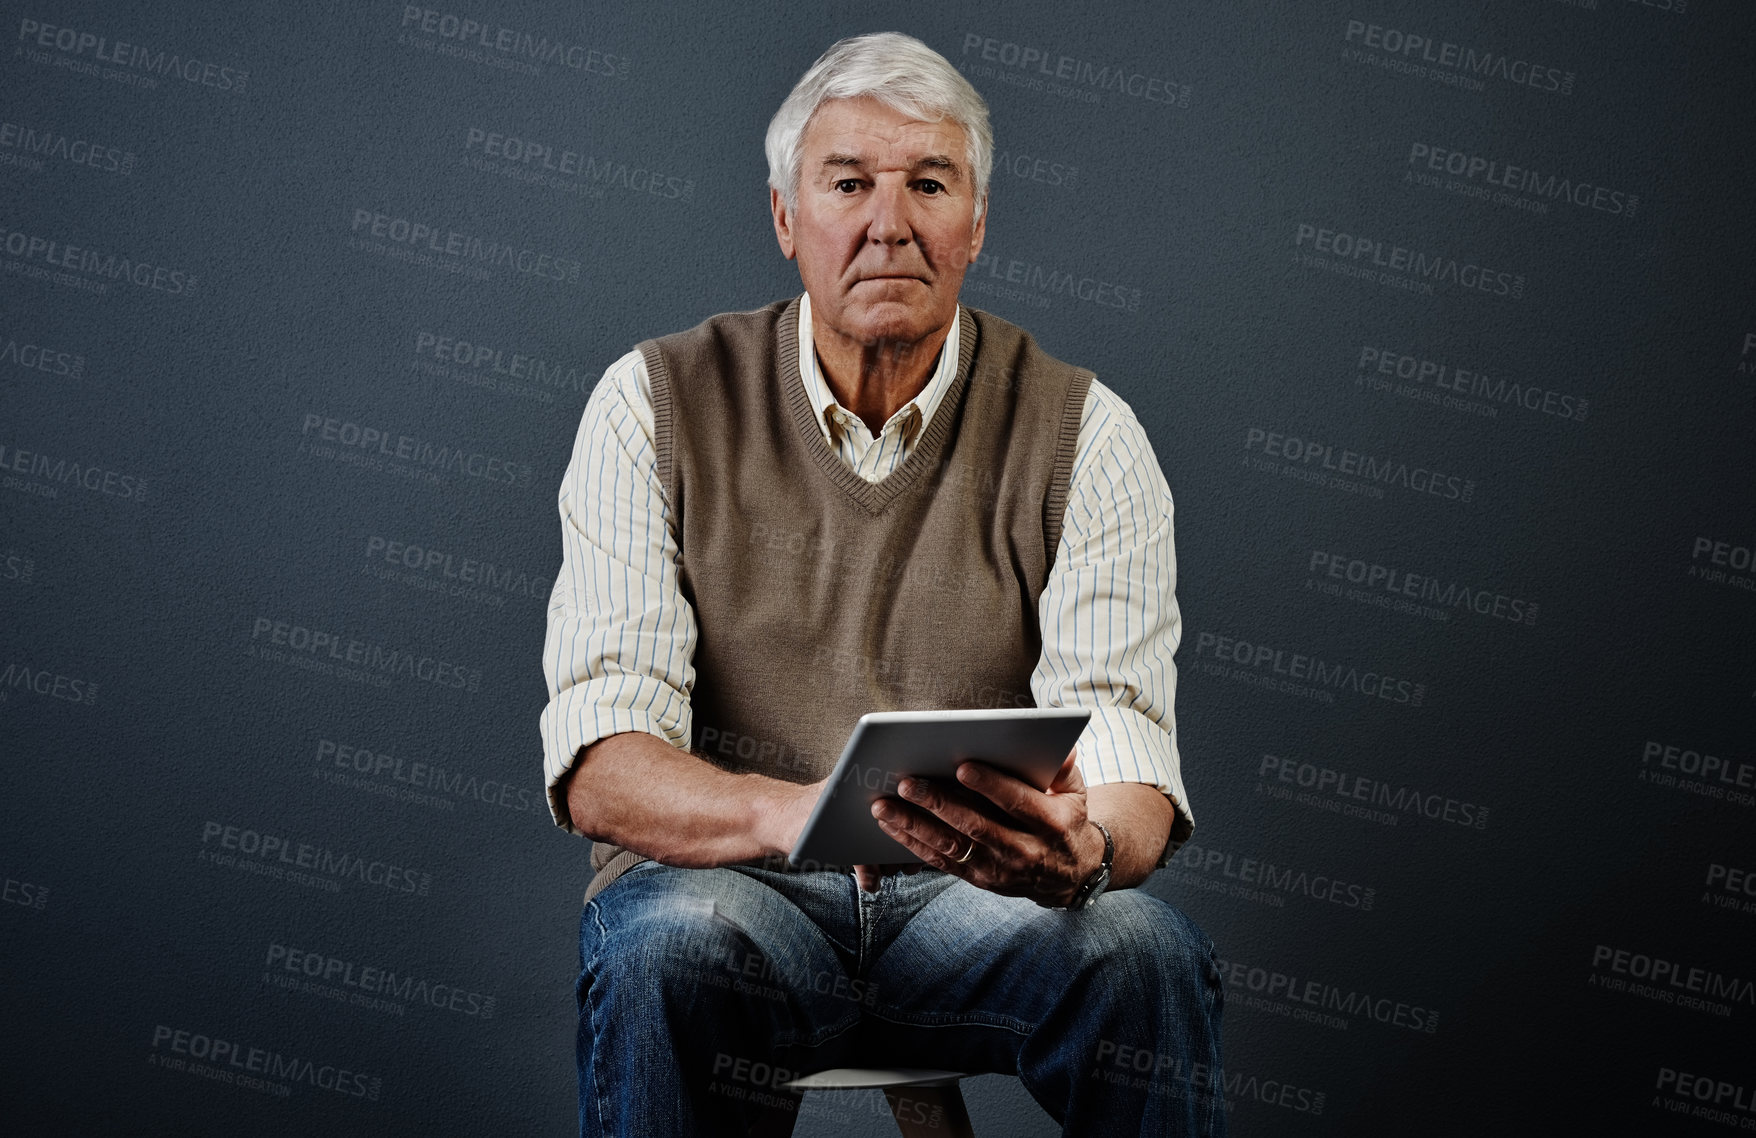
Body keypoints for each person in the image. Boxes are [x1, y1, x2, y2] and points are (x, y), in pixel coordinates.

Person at [540, 31, 1224, 1138]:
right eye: (847, 182)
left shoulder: (1085, 435)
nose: (888, 221)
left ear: (977, 223)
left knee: (1142, 953)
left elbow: (1130, 747)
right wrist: (806, 817)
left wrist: (1081, 846)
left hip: (980, 908)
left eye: (929, 183)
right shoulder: (651, 406)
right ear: (784, 219)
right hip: (739, 896)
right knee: (660, 948)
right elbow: (603, 768)